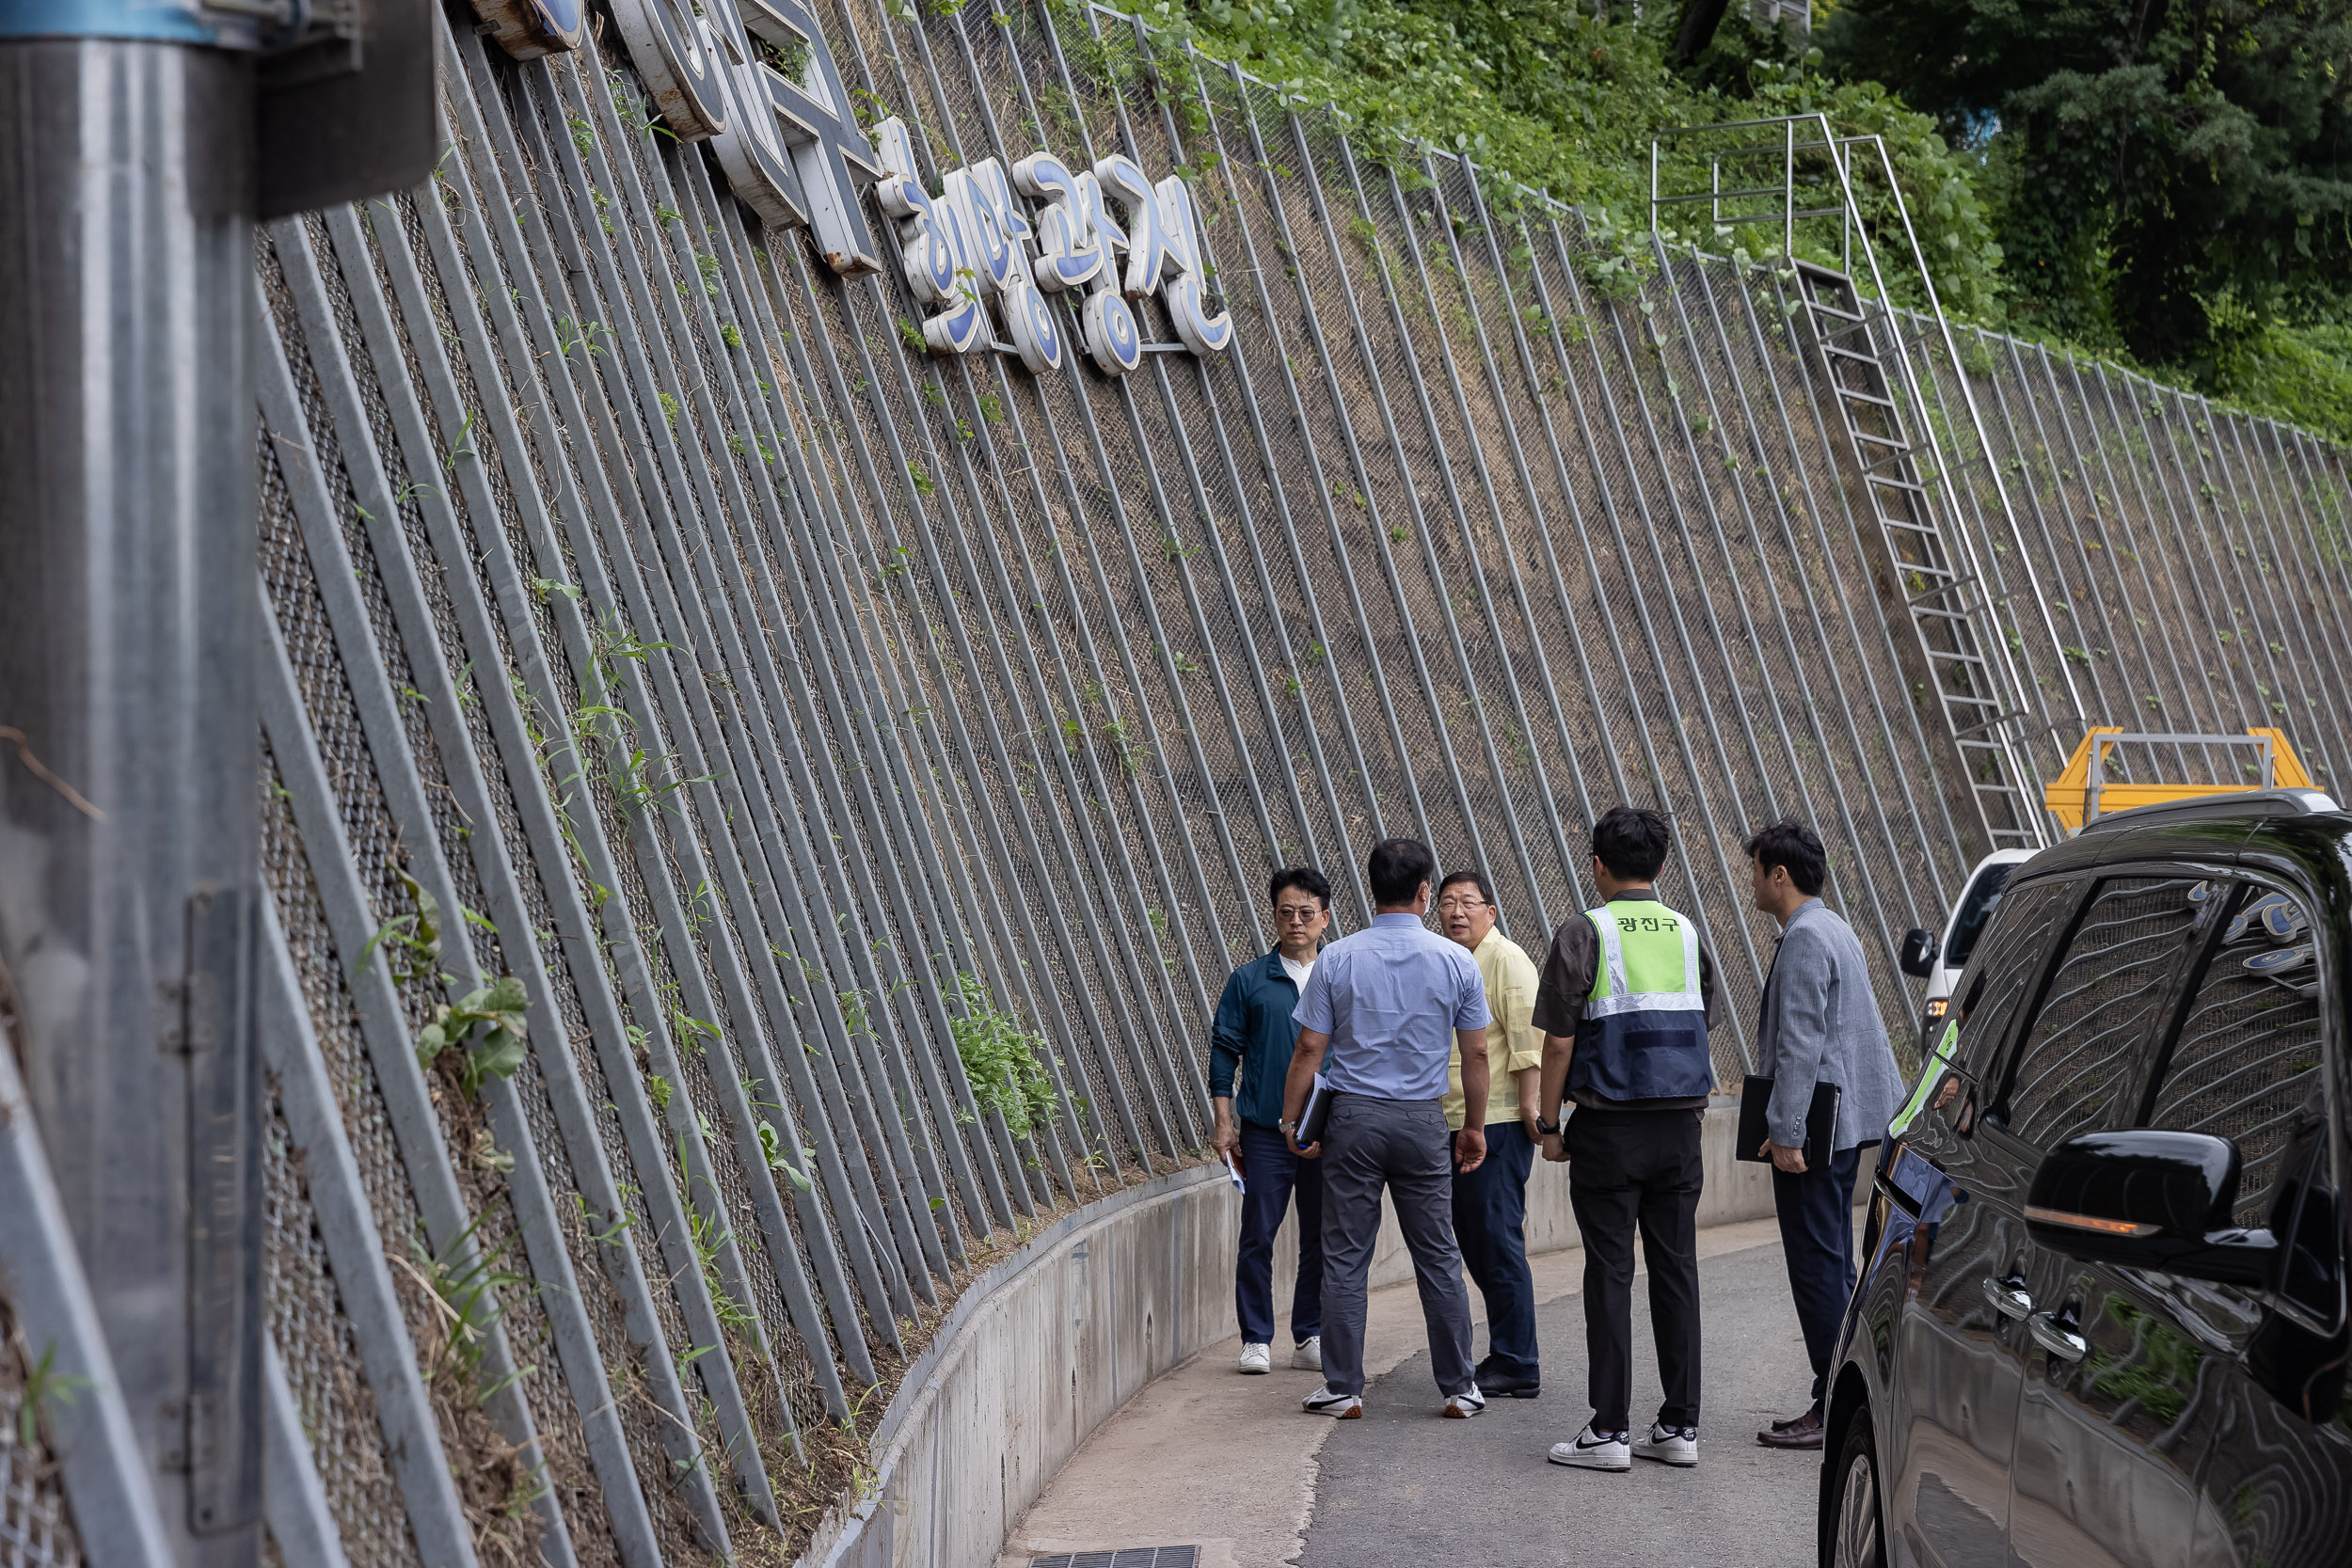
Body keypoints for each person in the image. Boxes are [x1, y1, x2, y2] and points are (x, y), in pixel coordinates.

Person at [1532, 805, 1720, 1472]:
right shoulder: (1687, 931)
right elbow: (1704, 1019)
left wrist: (1549, 1126)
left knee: (1610, 1272)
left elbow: (1558, 1042)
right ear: (1663, 865)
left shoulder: (1585, 931)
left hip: (1608, 1129)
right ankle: (1679, 1427)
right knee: (1677, 1270)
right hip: (1680, 1127)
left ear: (1598, 865)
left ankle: (1609, 1431)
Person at [1283, 838, 1492, 1420]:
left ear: (1370, 889)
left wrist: (1292, 1119)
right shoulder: (1457, 961)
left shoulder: (1338, 958)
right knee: (1438, 1254)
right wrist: (1473, 1128)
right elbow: (1476, 1056)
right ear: (1426, 892)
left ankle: (1344, 1388)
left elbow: (1309, 1047)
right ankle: (1459, 1386)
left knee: (1345, 1254)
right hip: (1423, 1120)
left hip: (1352, 1119)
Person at [1745, 819, 1905, 1451]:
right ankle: (1850, 1396)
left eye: (1756, 869)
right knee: (1836, 1262)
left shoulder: (1807, 937)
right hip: (1849, 1120)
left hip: (1818, 1126)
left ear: (1778, 874)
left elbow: (1802, 1040)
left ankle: (1833, 1400)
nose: (1752, 880)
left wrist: (1784, 1129)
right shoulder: (1835, 926)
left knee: (1818, 1267)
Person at [1209, 866, 1334, 1375]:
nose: (1296, 922)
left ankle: (1308, 1333)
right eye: (1286, 912)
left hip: (1328, 1129)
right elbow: (1224, 1051)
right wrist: (1224, 1121)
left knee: (1322, 1236)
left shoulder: (1340, 972)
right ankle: (1256, 1337)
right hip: (1263, 1131)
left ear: (1324, 918)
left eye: (1307, 913)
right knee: (1258, 1233)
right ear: (1274, 917)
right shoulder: (1249, 980)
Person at [1436, 869, 1546, 1399]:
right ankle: (1507, 1351)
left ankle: (1518, 1361)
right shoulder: (1453, 961)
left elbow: (1530, 1038)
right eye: (1448, 902)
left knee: (1497, 1241)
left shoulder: (1505, 959)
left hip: (1497, 1124)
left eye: (1469, 903)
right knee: (1478, 1242)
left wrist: (1531, 1106)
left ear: (1491, 911)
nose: (1458, 912)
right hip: (1458, 1120)